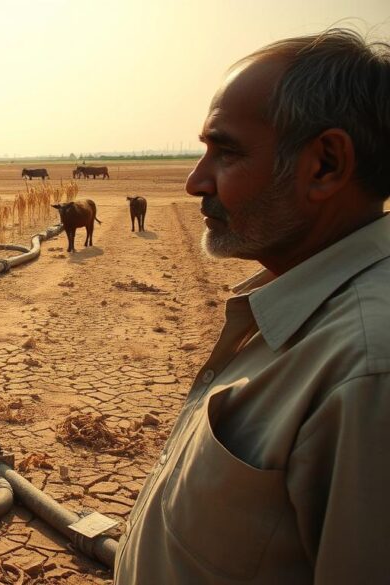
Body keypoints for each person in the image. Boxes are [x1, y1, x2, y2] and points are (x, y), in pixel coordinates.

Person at [115, 29, 390, 584]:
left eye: (227, 151)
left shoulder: (366, 369)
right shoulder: (302, 307)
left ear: (325, 166)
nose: (196, 181)